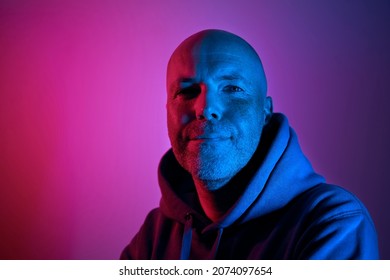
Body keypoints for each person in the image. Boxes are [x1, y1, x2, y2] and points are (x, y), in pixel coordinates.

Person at [120, 29, 379, 259]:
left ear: (265, 112)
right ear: (167, 111)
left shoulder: (332, 223)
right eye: (186, 91)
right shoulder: (155, 236)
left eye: (232, 88)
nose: (205, 108)